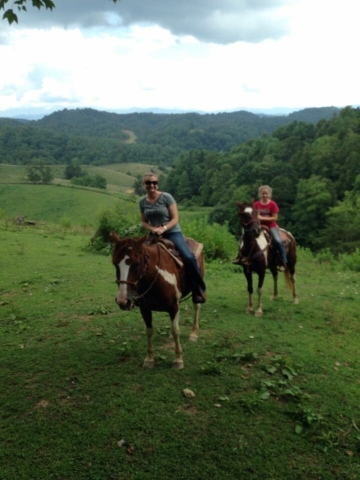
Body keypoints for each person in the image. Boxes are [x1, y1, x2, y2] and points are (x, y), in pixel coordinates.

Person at [139, 173, 207, 303]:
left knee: (188, 256)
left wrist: (163, 229)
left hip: (172, 233)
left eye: (154, 182)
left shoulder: (166, 197)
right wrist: (153, 229)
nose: (151, 185)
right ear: (144, 185)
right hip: (154, 234)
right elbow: (143, 222)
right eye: (148, 183)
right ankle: (139, 291)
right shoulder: (142, 202)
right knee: (139, 256)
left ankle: (198, 288)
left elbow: (175, 218)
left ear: (157, 184)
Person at [254, 185, 287, 271]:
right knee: (246, 237)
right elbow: (254, 216)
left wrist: (262, 218)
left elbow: (275, 218)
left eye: (266, 193)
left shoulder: (273, 204)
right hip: (259, 225)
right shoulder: (256, 204)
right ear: (260, 194)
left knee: (277, 241)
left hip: (271, 225)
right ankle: (243, 258)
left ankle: (283, 261)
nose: (264, 195)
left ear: (269, 194)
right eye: (263, 193)